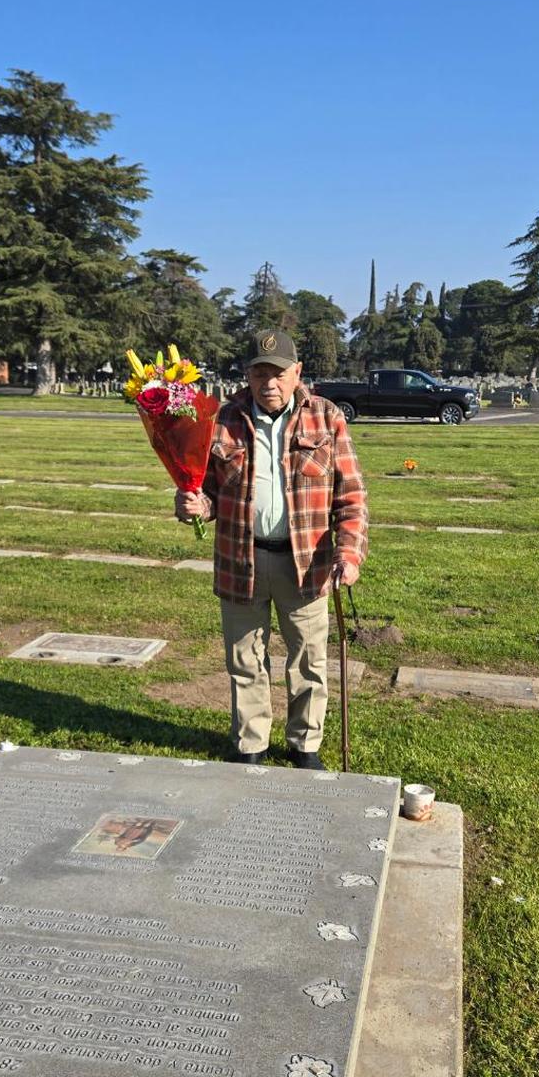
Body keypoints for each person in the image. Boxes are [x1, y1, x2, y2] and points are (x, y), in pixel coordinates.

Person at [175, 329, 368, 768]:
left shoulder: (326, 417)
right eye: (260, 373)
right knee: (245, 659)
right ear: (247, 375)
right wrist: (192, 504)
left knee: (308, 661)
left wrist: (349, 552)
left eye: (278, 373)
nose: (270, 383)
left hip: (307, 563)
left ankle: (305, 746)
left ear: (297, 372)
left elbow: (351, 494)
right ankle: (250, 745)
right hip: (241, 560)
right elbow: (208, 494)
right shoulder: (222, 420)